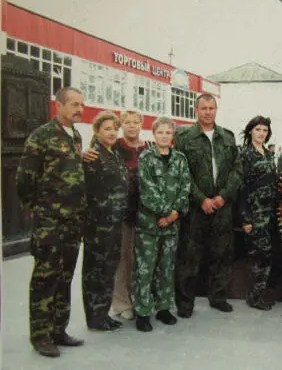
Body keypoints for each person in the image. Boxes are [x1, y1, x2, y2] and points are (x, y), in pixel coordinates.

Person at [16, 87, 87, 358]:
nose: (79, 109)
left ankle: (59, 329)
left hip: (72, 220)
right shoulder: (42, 136)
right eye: (73, 104)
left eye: (81, 104)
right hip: (50, 221)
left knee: (65, 275)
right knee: (45, 277)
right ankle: (41, 336)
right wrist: (37, 209)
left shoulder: (76, 135)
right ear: (58, 105)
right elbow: (24, 178)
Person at [174, 93, 243, 316]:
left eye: (211, 108)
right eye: (203, 108)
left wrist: (223, 196)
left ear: (216, 110)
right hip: (196, 207)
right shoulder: (184, 137)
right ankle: (185, 303)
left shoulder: (227, 137)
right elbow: (181, 173)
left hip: (222, 205)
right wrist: (200, 199)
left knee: (221, 253)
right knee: (189, 256)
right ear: (196, 110)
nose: (207, 112)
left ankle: (218, 297)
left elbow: (237, 171)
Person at [84, 110, 152, 321]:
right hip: (119, 213)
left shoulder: (148, 147)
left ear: (141, 124)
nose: (131, 126)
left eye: (135, 122)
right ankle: (122, 303)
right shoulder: (115, 147)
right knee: (122, 260)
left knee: (138, 259)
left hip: (143, 211)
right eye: (127, 123)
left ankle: (140, 299)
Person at [133, 117, 191, 332]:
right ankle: (142, 311)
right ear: (154, 134)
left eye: (168, 133)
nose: (164, 136)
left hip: (171, 225)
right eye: (160, 132)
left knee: (166, 268)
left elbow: (185, 188)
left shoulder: (180, 159)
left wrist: (174, 215)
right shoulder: (146, 157)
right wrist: (166, 213)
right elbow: (147, 191)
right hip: (150, 224)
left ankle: (164, 308)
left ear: (172, 135)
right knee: (145, 269)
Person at [82, 111, 129, 332]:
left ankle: (103, 313)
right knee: (95, 270)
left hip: (114, 222)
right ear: (97, 131)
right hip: (98, 224)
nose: (112, 133)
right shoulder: (93, 155)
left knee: (109, 269)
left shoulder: (114, 153)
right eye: (107, 129)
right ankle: (94, 317)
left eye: (114, 129)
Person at [238, 116, 279, 311]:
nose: (261, 133)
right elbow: (242, 188)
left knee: (267, 254)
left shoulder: (268, 154)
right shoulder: (245, 155)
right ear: (250, 132)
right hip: (255, 214)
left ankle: (260, 293)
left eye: (264, 130)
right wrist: (245, 219)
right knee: (260, 255)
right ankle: (255, 297)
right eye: (258, 130)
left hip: (270, 213)